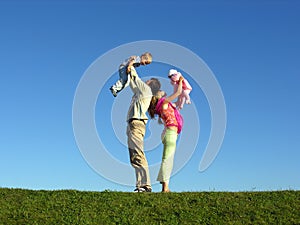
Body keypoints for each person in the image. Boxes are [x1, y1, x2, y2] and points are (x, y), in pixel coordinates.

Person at [126, 65, 161, 192]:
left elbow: (135, 78)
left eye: (148, 81)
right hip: (133, 124)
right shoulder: (141, 92)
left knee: (138, 154)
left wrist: (132, 65)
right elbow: (132, 82)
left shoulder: (146, 90)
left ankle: (145, 186)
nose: (146, 81)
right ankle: (140, 185)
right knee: (134, 156)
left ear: (150, 85)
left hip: (136, 123)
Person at [148, 76, 184, 192]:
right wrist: (181, 81)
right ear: (159, 97)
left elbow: (178, 99)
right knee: (168, 160)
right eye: (160, 92)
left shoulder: (163, 105)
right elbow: (178, 92)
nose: (162, 92)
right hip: (170, 133)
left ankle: (165, 184)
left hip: (167, 133)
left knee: (166, 158)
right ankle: (165, 187)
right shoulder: (164, 103)